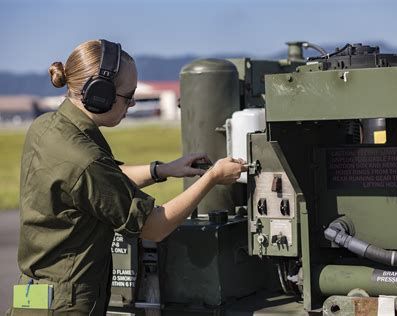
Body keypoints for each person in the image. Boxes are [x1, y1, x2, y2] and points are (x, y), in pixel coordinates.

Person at [13, 39, 246, 315]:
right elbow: (154, 226)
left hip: (34, 299)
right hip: (67, 305)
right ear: (99, 95)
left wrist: (162, 169)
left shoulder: (47, 128)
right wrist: (212, 177)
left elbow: (99, 180)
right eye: (128, 95)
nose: (133, 103)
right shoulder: (86, 160)